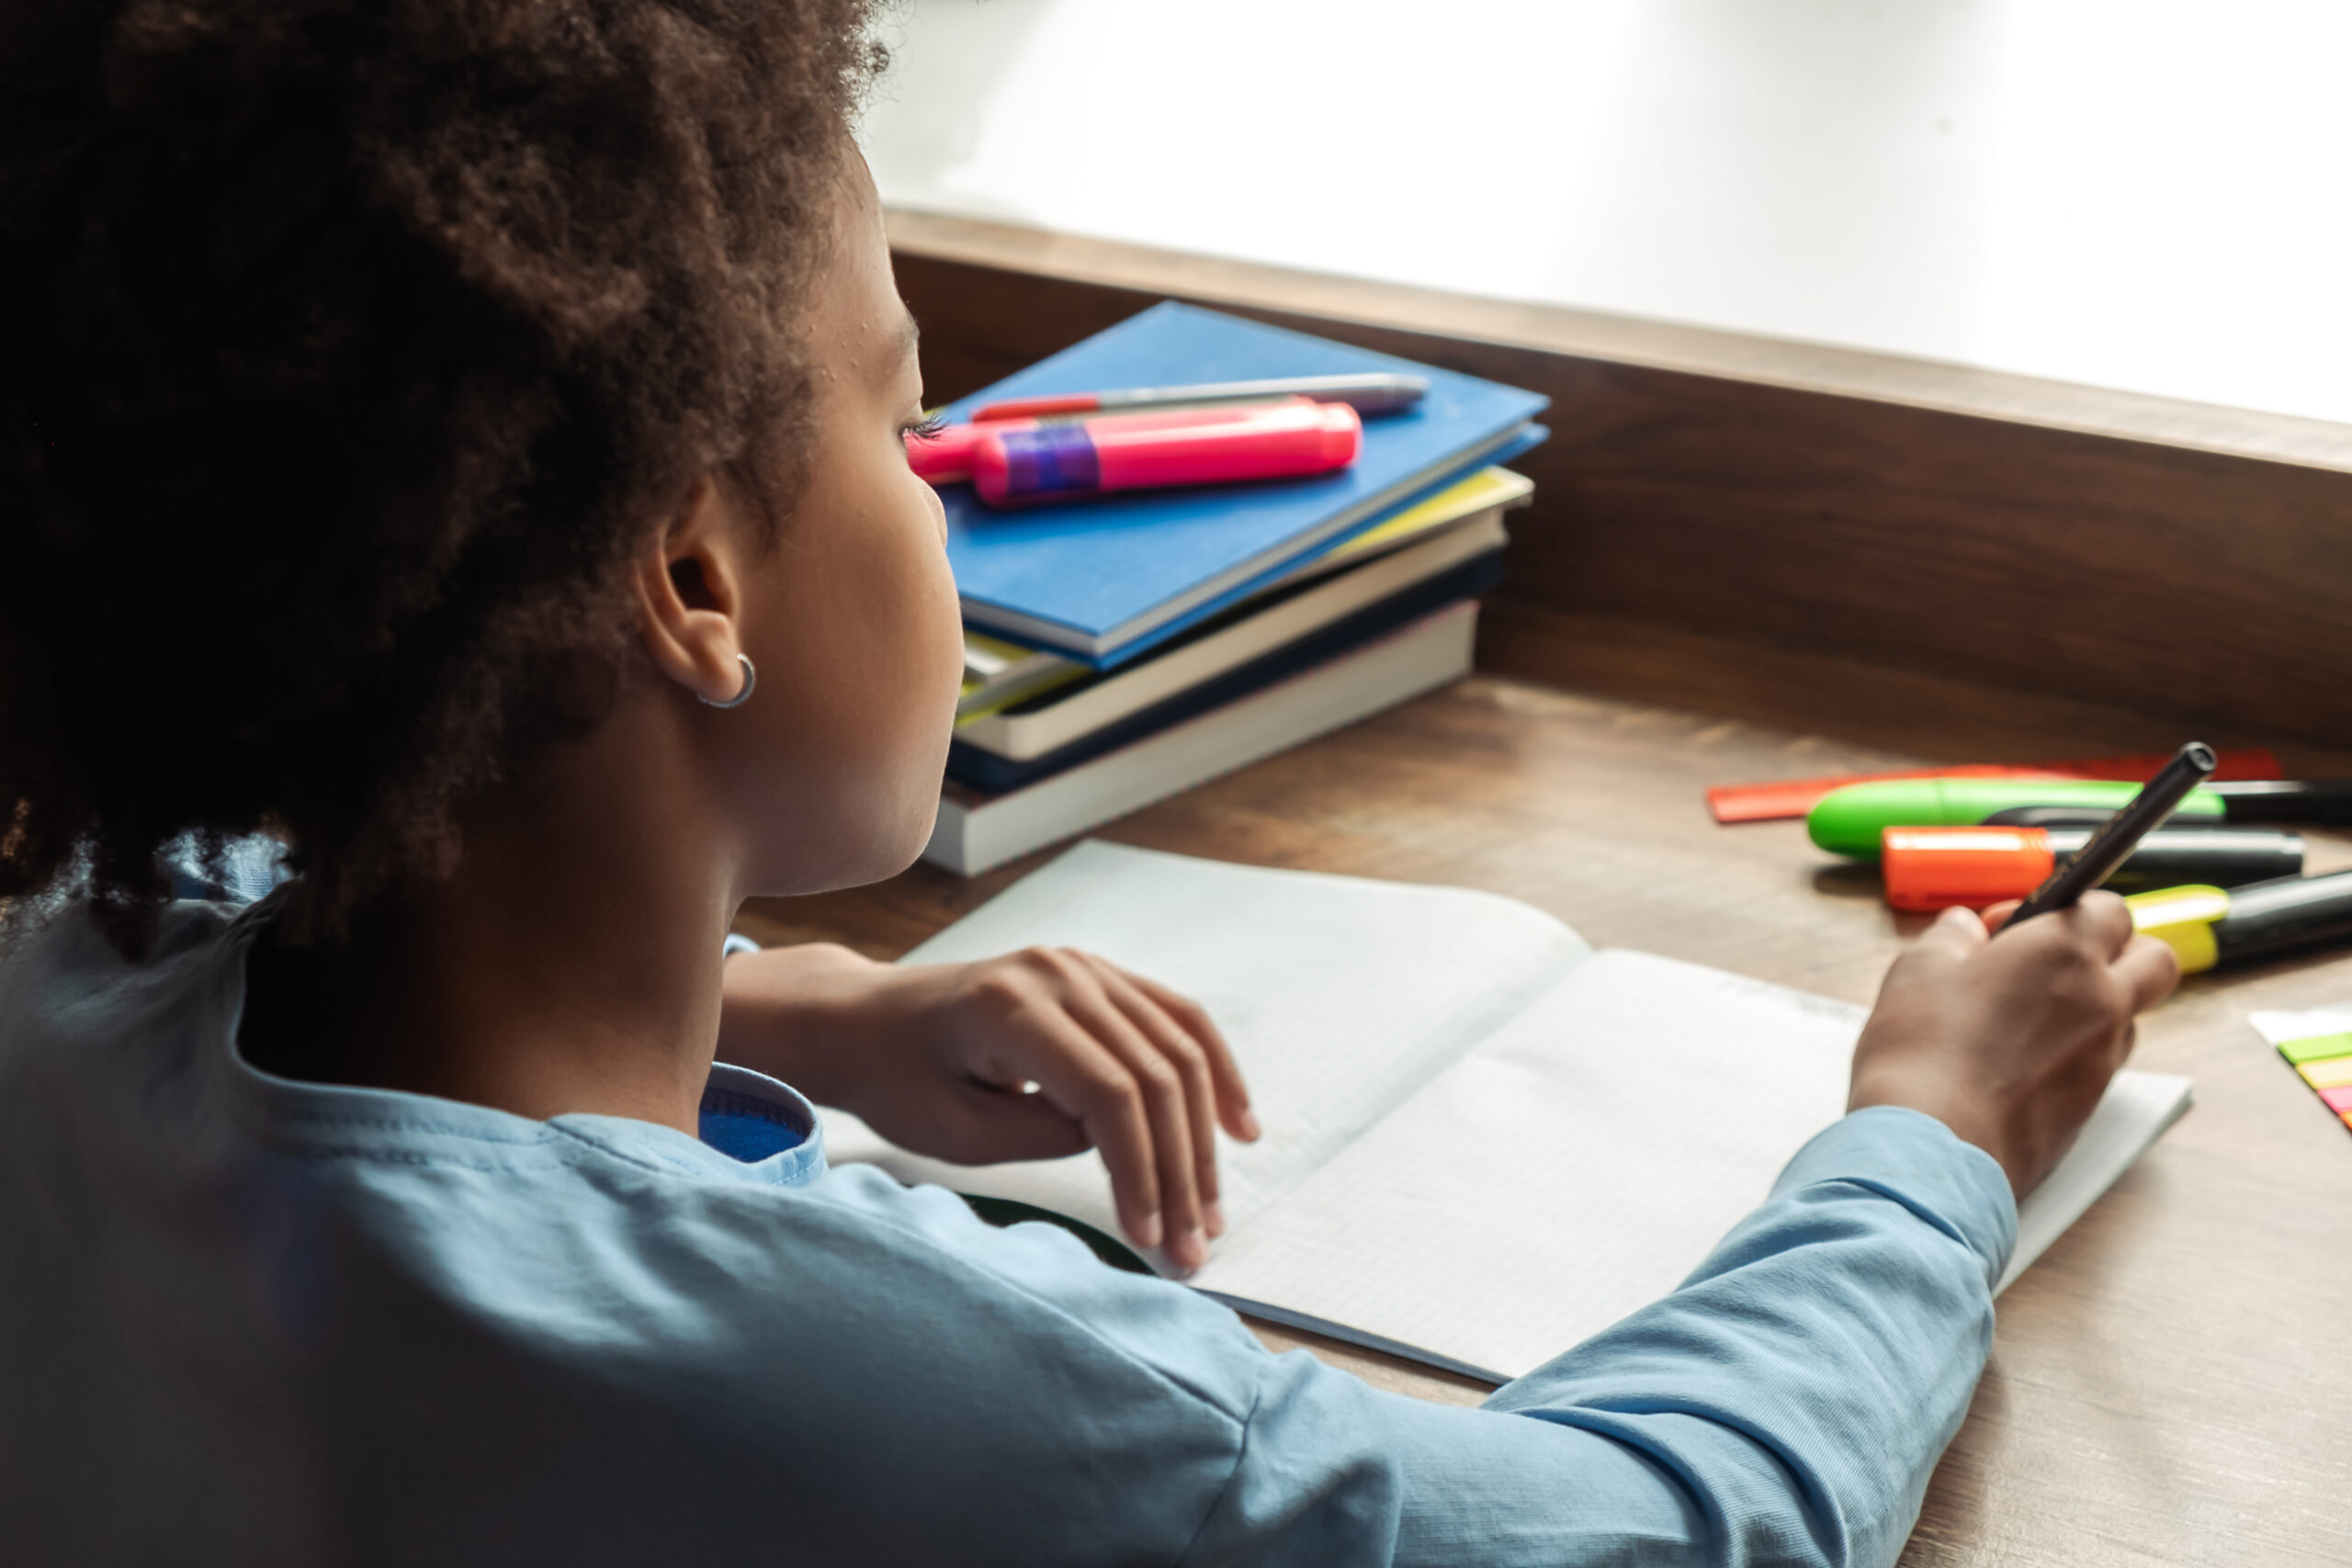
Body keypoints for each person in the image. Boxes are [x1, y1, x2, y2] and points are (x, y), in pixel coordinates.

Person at [0, 3, 2178, 1563]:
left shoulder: (49, 1000)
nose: (938, 494)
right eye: (902, 414)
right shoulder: (886, 1372)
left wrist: (777, 1004)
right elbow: (1638, 1529)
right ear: (687, 565)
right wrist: (1928, 1138)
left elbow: (217, 881)